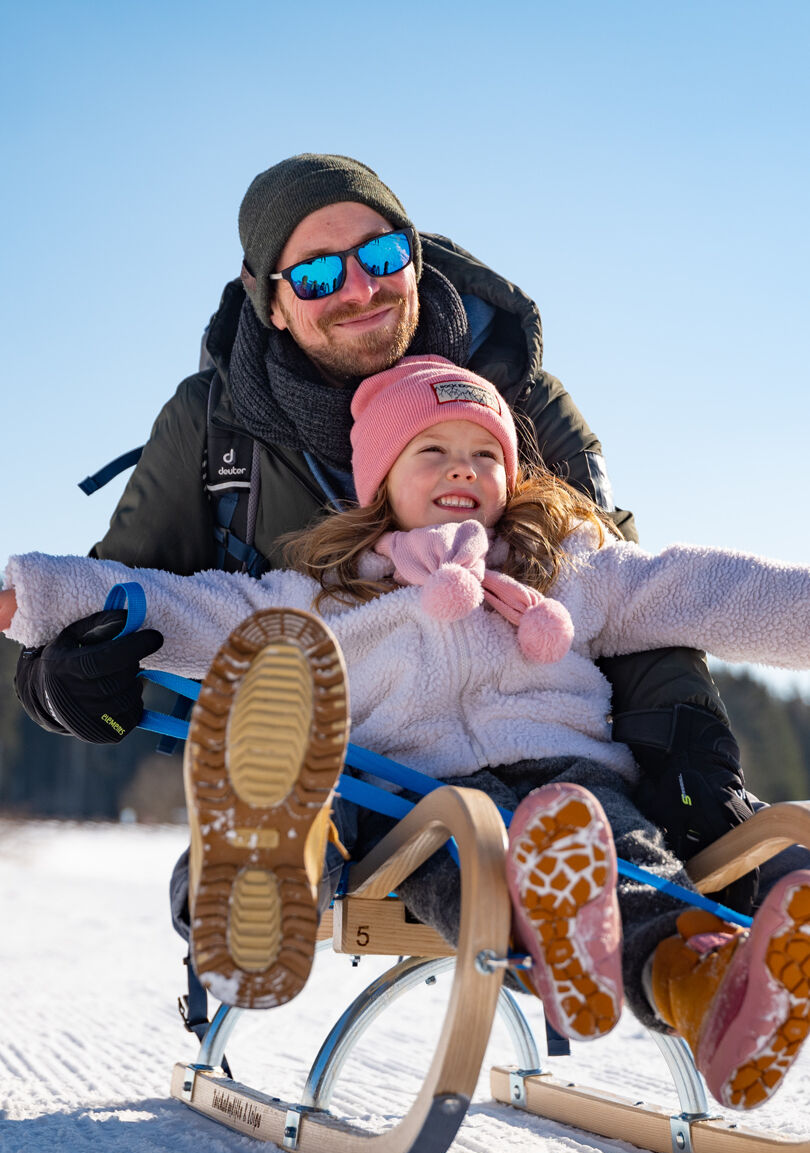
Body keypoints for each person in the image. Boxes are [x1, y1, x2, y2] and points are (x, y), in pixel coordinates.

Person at [4, 355, 810, 1114]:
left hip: (573, 791)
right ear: (380, 479)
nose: (463, 468)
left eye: (483, 454)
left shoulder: (566, 569)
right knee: (384, 821)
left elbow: (713, 589)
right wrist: (34, 596)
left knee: (628, 866)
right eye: (433, 449)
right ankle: (260, 883)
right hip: (408, 800)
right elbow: (185, 605)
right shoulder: (324, 593)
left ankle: (705, 994)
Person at [11, 152, 766, 888]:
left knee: (720, 874)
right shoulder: (213, 430)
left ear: (411, 252)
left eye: (379, 253)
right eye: (314, 274)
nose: (359, 287)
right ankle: (266, 874)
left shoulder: (515, 396)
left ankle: (693, 969)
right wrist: (60, 684)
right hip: (334, 763)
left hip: (537, 754)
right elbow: (109, 595)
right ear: (269, 299)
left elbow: (622, 586)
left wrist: (688, 743)